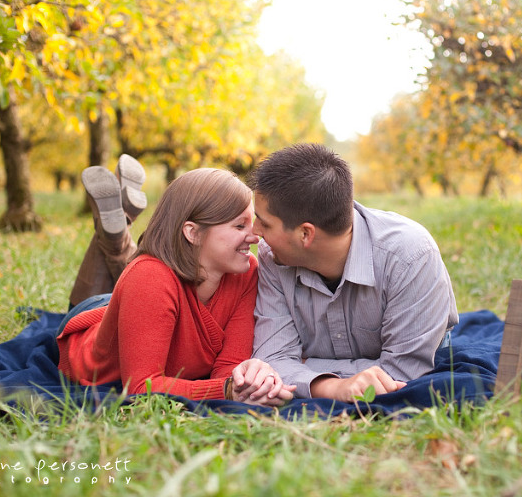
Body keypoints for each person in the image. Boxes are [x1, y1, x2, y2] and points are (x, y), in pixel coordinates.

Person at [57, 156, 294, 406]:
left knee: (142, 270)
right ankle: (118, 234)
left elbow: (228, 369)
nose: (255, 236)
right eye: (239, 226)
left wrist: (246, 388)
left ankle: (119, 229)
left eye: (253, 222)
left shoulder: (246, 273)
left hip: (143, 301)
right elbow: (141, 387)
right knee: (141, 271)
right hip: (93, 325)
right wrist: (225, 391)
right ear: (192, 232)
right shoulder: (149, 278)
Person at [249, 143, 459, 402]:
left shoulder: (410, 257)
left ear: (306, 233)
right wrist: (334, 387)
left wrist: (305, 366)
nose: (254, 232)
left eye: (265, 223)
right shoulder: (274, 256)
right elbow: (271, 361)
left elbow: (402, 374)